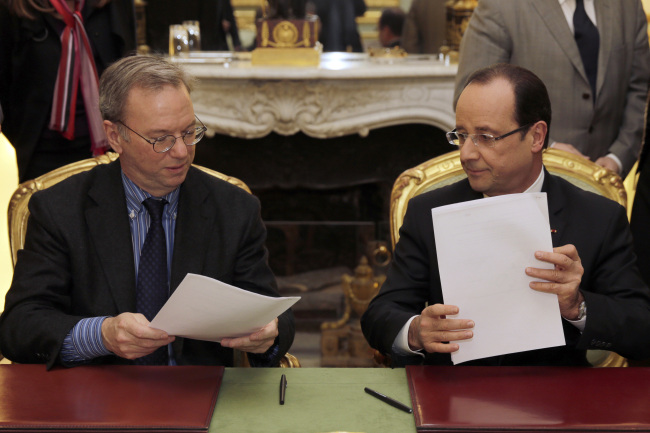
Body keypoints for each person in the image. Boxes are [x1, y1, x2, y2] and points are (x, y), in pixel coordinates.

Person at [0, 55, 295, 368]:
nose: (182, 151)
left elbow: (271, 310)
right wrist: (101, 335)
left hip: (199, 395)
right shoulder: (60, 209)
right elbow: (19, 326)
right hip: (94, 398)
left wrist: (269, 333)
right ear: (115, 136)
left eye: (188, 131)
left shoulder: (234, 209)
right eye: (161, 139)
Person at [361, 63, 650, 366]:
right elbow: (381, 314)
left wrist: (577, 306)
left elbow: (641, 329)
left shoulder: (597, 217)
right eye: (461, 135)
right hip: (451, 398)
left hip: (559, 401)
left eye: (485, 137)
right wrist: (416, 332)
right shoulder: (429, 211)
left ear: (536, 137)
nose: (466, 154)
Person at [453, 0, 650, 178]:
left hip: (605, 181)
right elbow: (471, 98)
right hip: (526, 182)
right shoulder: (501, 6)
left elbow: (640, 89)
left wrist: (617, 157)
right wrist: (549, 148)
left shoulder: (628, 6)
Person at [0, 0, 136, 182]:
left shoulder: (115, 5)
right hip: (42, 156)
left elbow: (128, 70)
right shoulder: (11, 8)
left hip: (113, 149)